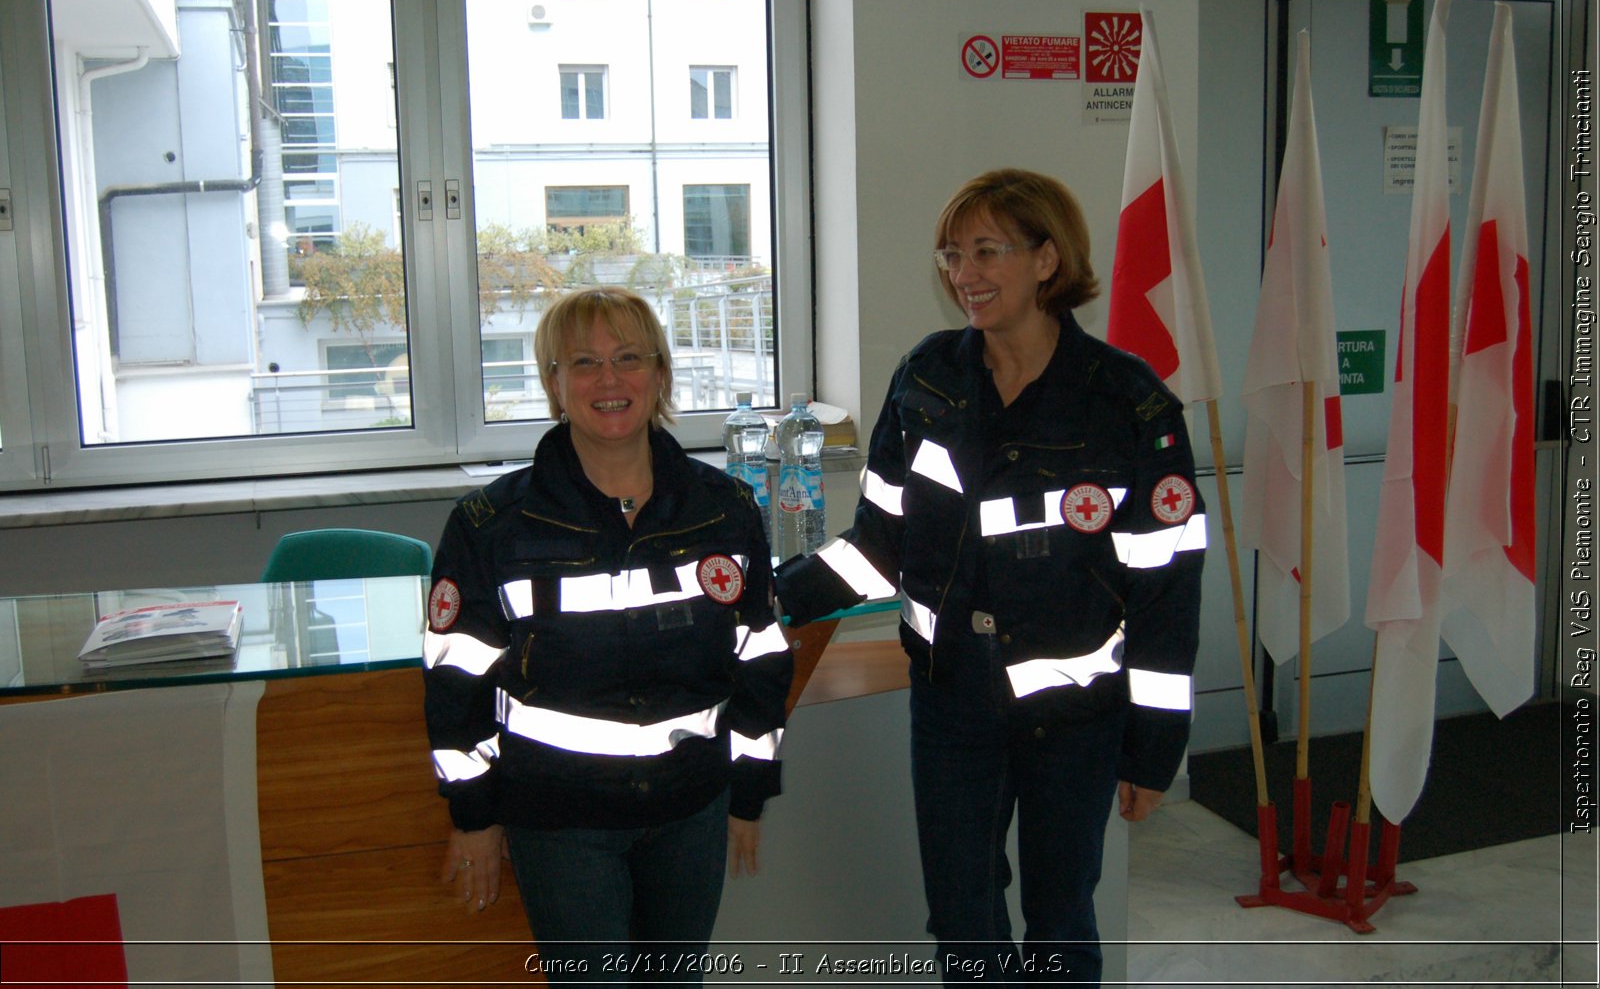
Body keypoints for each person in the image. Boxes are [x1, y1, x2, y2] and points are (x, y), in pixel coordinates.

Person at [774, 168, 1204, 985]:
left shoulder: (1128, 404)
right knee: (963, 920)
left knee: (1060, 919)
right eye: (951, 253)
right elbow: (878, 546)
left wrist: (1155, 750)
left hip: (1074, 718)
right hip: (952, 705)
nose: (963, 273)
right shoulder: (927, 381)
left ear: (1047, 259)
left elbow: (1166, 588)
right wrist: (773, 597)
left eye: (986, 250)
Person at [423, 286, 791, 982]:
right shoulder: (492, 525)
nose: (609, 380)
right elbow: (454, 684)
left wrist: (748, 795)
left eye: (628, 358)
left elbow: (761, 659)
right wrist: (473, 814)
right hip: (562, 818)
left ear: (660, 375)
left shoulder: (724, 510)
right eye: (583, 363)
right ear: (554, 384)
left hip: (692, 807)